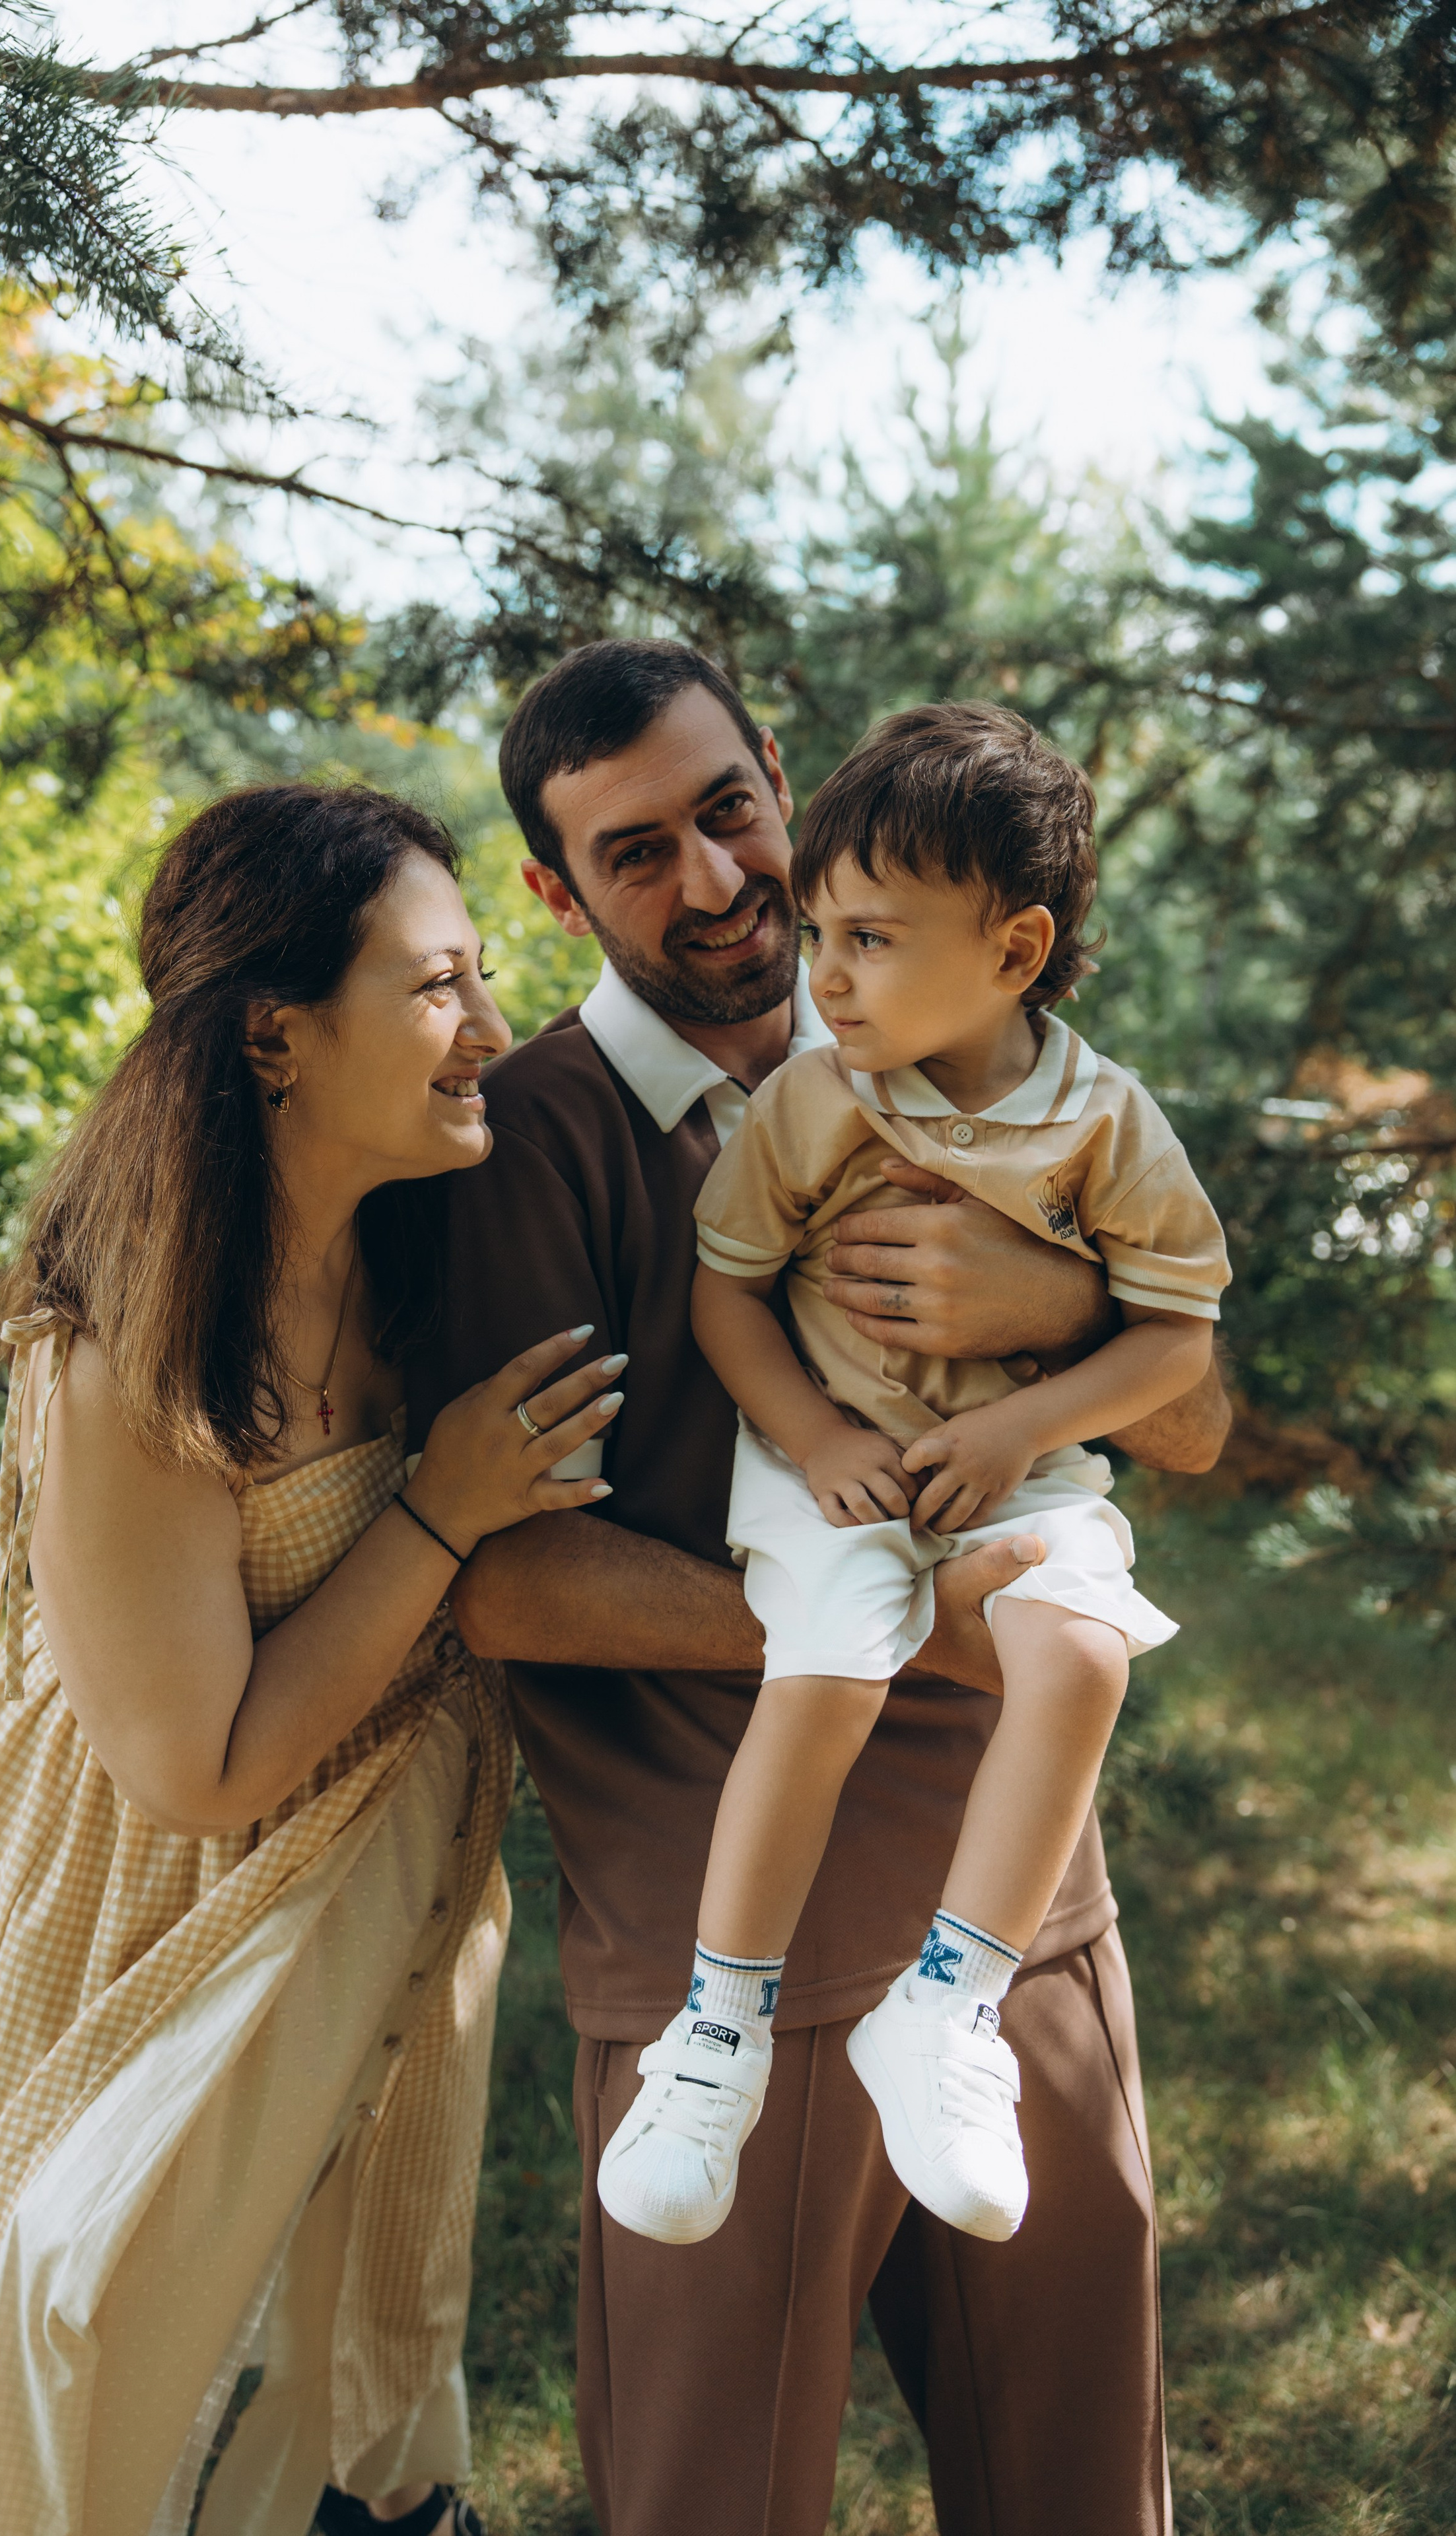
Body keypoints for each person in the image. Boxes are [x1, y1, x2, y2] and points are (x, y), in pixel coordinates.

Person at [407, 641, 1231, 2536]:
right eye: (634, 853)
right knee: (716, 2505)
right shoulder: (528, 1143)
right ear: (553, 891)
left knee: (1085, 2491)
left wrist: (1054, 1313)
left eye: (729, 810)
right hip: (731, 1966)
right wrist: (857, 1629)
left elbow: (1184, 1406)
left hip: (1015, 1925)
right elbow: (503, 1580)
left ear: (781, 779)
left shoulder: (971, 1040)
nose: (713, 879)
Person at [0, 784, 627, 2536]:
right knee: (77, 2305)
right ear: (277, 1036)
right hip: (129, 1890)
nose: (491, 1030)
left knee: (339, 2352)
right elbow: (198, 1765)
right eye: (438, 989)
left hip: (366, 1881)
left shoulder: (426, 1246)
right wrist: (440, 1510)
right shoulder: (124, 1337)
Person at [598, 702, 1228, 2255]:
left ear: (1013, 952)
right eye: (819, 930)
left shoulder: (1100, 1122)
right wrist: (814, 1441)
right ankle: (714, 2036)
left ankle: (949, 2007)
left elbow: (1173, 1347)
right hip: (837, 1476)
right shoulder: (819, 1101)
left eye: (869, 939)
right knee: (824, 1679)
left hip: (1017, 1483)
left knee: (1080, 1651)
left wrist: (1023, 1429)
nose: (823, 975)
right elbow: (723, 1293)